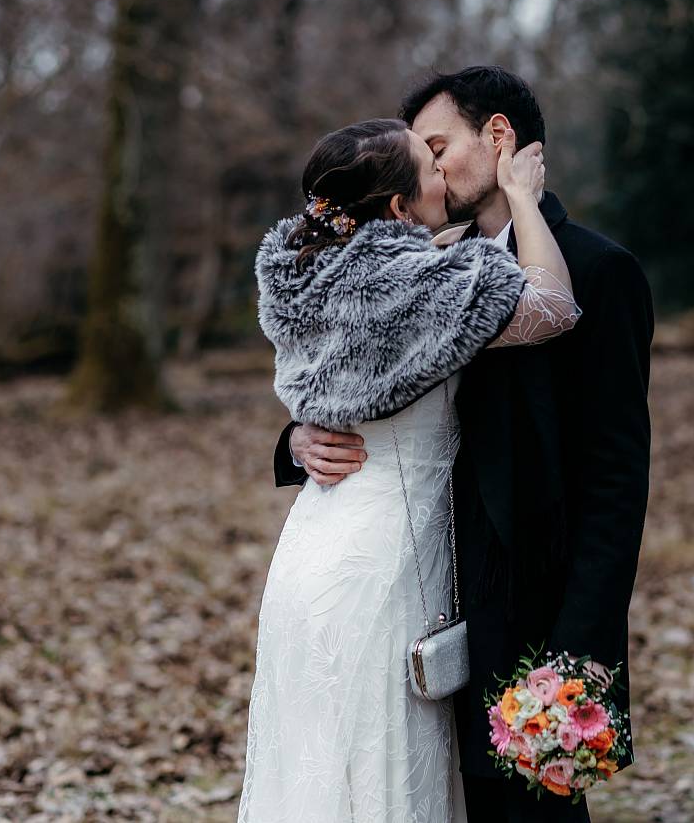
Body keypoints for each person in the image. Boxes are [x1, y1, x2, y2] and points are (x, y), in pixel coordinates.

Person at [275, 66, 654, 823]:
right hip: (392, 609)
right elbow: (346, 381)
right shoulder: (414, 266)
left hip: (517, 625)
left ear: (500, 137)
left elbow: (615, 480)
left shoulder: (599, 272)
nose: (430, 168)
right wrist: (296, 442)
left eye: (437, 145)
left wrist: (577, 655)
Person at [239, 114, 581, 822]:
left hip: (310, 552)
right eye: (429, 168)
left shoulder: (301, 275)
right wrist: (520, 194)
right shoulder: (424, 283)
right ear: (399, 207)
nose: (443, 176)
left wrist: (302, 433)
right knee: (387, 769)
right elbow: (551, 306)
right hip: (384, 566)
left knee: (316, 766)